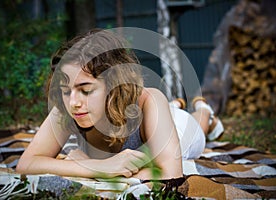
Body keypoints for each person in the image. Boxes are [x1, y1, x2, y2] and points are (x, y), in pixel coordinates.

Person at [16, 28, 224, 180]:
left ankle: (204, 110)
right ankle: (174, 105)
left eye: (86, 90)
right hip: (155, 123)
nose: (74, 102)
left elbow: (170, 173)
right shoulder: (71, 104)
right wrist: (99, 167)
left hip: (177, 130)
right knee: (166, 111)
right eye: (65, 90)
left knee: (195, 125)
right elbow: (26, 164)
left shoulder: (149, 100)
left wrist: (82, 165)